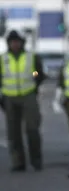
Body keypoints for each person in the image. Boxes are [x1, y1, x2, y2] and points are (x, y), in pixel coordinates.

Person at [0, 29, 45, 172]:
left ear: (21, 43)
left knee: (32, 128)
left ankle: (36, 160)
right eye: (12, 42)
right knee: (13, 132)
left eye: (17, 42)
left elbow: (38, 72)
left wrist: (34, 79)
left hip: (28, 94)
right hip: (9, 97)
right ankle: (17, 162)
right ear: (8, 43)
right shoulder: (3, 58)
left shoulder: (31, 56)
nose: (15, 44)